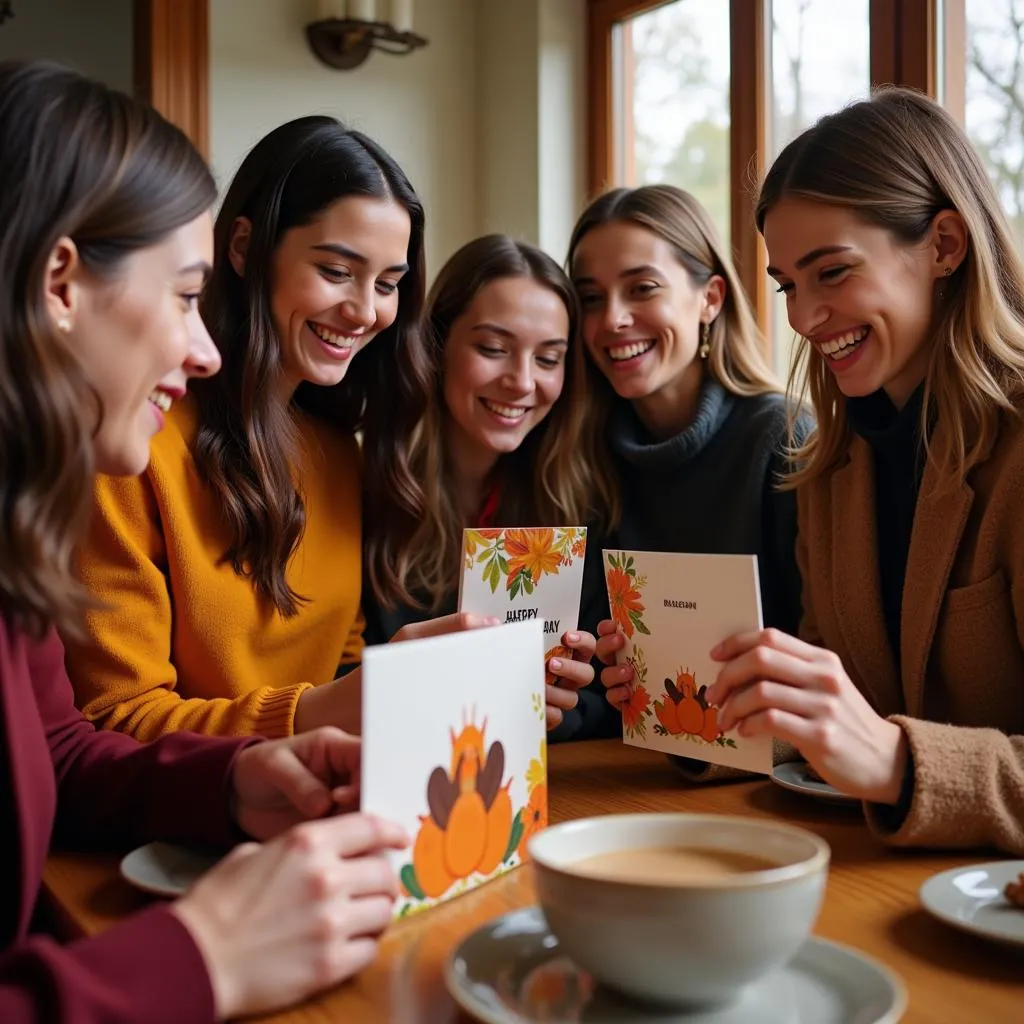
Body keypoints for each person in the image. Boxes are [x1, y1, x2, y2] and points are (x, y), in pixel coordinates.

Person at [0, 60, 407, 1022]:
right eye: (185, 297)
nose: (205, 345)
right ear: (61, 281)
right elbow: (115, 715)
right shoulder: (118, 467)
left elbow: (58, 749)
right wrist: (202, 955)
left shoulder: (20, 518)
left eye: (387, 282)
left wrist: (233, 780)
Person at [64, 114, 485, 742]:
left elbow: (340, 670)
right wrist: (323, 713)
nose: (366, 311)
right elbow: (116, 719)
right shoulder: (130, 445)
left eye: (389, 284)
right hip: (176, 826)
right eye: (337, 272)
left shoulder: (341, 453)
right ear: (242, 248)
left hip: (316, 807)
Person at [707, 87, 1024, 855]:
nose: (803, 317)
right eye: (787, 284)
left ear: (945, 245)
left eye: (833, 273)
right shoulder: (829, 464)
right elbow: (843, 711)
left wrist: (897, 762)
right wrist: (712, 711)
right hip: (878, 884)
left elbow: (877, 750)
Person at [567, 186, 805, 746]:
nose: (614, 319)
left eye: (642, 288)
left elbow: (825, 656)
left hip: (771, 771)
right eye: (591, 299)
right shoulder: (581, 454)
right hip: (631, 772)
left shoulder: (781, 439)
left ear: (711, 299)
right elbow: (601, 699)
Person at [361, 235, 615, 731]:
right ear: (435, 346)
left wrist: (568, 702)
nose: (522, 381)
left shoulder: (578, 503)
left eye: (547, 359)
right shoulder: (360, 495)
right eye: (494, 348)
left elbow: (610, 699)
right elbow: (329, 685)